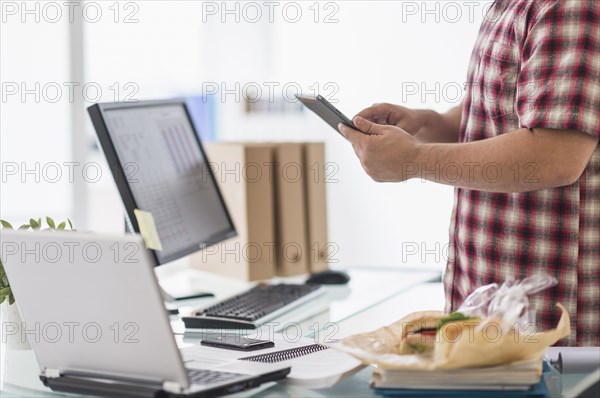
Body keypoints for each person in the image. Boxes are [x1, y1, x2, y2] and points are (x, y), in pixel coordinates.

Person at [339, 0, 599, 346]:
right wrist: (428, 123)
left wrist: (414, 160)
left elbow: (555, 155)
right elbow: (497, 114)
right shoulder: (509, 6)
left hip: (548, 319)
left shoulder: (569, 7)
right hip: (492, 300)